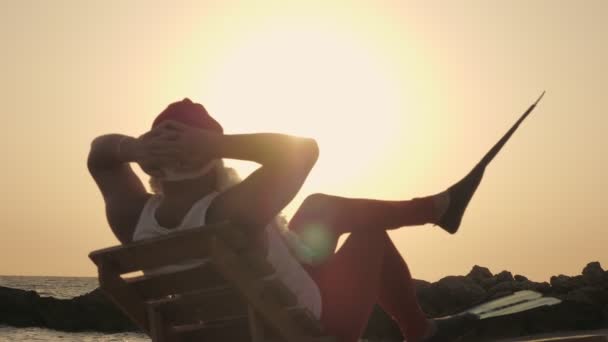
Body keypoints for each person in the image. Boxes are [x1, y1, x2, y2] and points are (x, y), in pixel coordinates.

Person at [88, 98, 491, 342]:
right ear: (213, 160)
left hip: (223, 325)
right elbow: (302, 150)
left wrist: (133, 146)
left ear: (148, 165)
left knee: (319, 208)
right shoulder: (231, 212)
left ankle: (433, 209)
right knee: (368, 237)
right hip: (302, 331)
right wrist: (214, 142)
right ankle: (419, 330)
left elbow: (99, 155)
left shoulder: (133, 218)